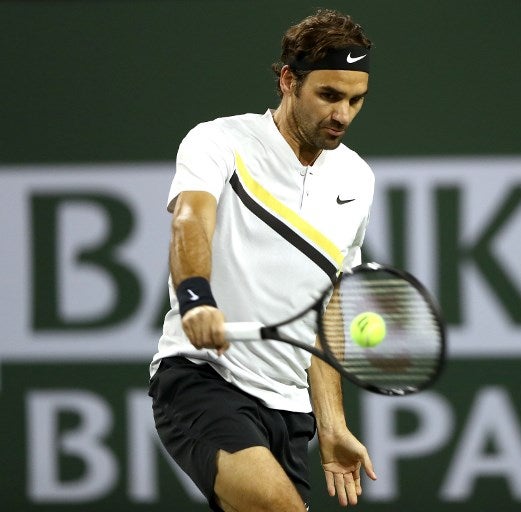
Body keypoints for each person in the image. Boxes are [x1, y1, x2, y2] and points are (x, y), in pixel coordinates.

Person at [148, 9, 377, 512]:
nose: (342, 114)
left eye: (355, 100)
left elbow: (325, 311)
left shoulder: (357, 179)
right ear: (289, 81)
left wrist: (333, 424)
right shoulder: (219, 141)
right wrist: (196, 298)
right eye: (329, 96)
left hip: (291, 409)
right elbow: (191, 220)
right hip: (205, 380)